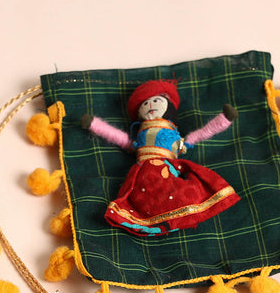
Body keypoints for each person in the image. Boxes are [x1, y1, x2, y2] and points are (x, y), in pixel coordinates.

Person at [82, 79, 240, 236]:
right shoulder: (138, 139)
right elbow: (119, 138)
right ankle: (154, 220)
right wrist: (94, 125)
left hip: (166, 169)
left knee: (180, 192)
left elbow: (201, 134)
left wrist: (223, 119)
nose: (150, 105)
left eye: (156, 101)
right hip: (142, 173)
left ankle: (171, 219)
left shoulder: (176, 139)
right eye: (145, 103)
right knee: (139, 196)